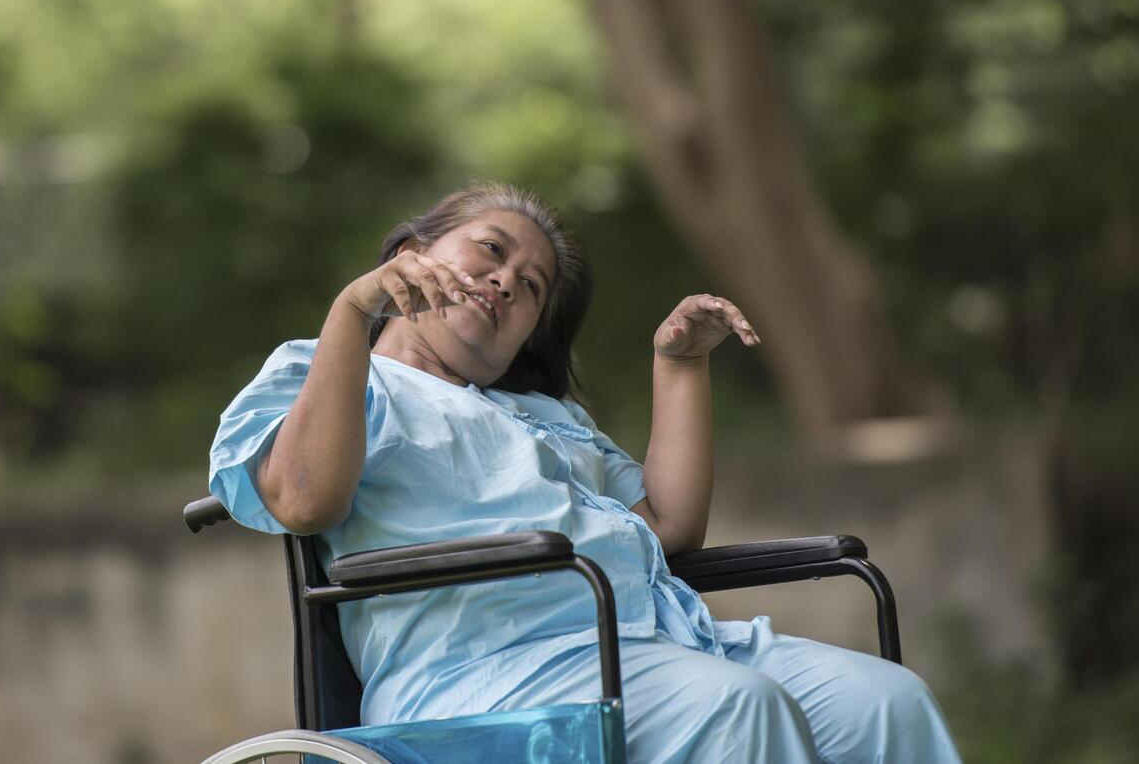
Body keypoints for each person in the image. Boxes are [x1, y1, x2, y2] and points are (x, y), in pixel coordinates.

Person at [209, 181, 961, 763]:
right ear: (410, 251)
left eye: (532, 286)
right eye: (490, 252)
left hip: (656, 644)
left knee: (884, 701)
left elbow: (665, 528)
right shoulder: (331, 373)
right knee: (734, 707)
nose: (506, 281)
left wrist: (678, 364)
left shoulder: (542, 416)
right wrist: (351, 310)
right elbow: (301, 499)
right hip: (483, 672)